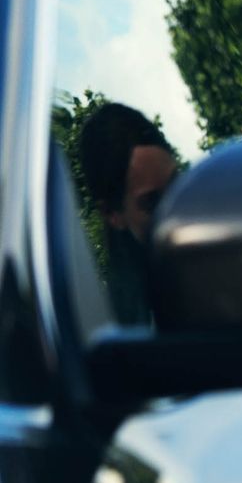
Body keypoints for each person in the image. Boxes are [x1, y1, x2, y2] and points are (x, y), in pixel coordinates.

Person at [75, 99, 180, 325]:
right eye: (152, 204)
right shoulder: (122, 324)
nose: (175, 212)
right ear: (113, 214)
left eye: (178, 186)